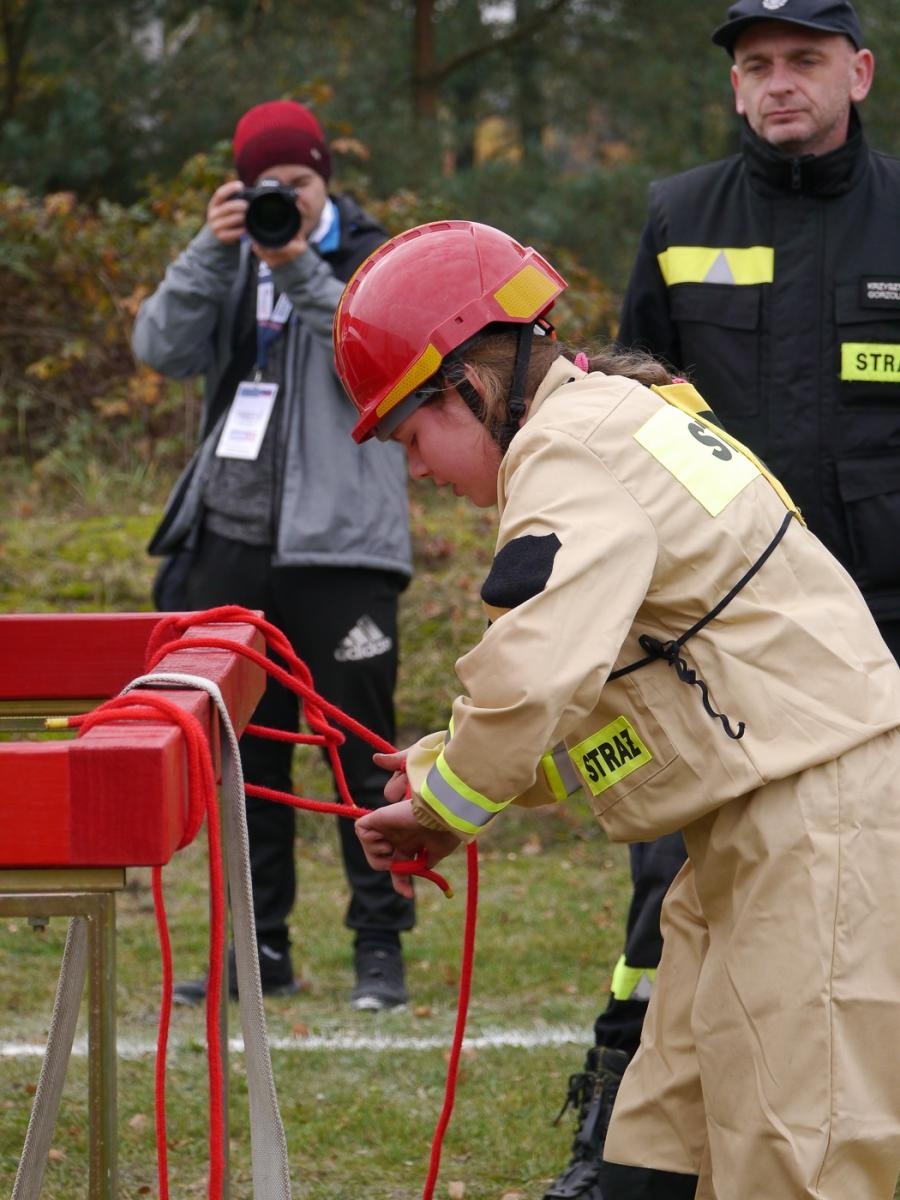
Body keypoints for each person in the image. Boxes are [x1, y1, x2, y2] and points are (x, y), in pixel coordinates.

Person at [334, 218, 900, 1200]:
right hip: (774, 814)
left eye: (410, 434)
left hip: (815, 827)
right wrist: (451, 772)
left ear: (468, 378)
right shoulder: (617, 420)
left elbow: (535, 670)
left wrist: (446, 806)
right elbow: (634, 704)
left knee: (801, 1154)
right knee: (671, 1130)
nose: (417, 469)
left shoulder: (568, 451)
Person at [545, 2, 900, 1194]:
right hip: (720, 642)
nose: (778, 82)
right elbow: (631, 422)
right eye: (756, 65)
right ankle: (627, 1140)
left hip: (881, 642)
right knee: (673, 899)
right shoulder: (678, 216)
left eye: (803, 60)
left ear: (858, 70)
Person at [132, 99, 415, 1011]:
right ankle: (260, 952)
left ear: (324, 177)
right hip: (234, 538)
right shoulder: (227, 253)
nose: (279, 201)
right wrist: (210, 250)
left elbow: (377, 352)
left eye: (294, 185)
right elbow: (157, 348)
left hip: (343, 545)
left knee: (357, 754)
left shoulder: (375, 257)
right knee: (245, 751)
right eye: (263, 188)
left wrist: (295, 264)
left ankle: (379, 949)